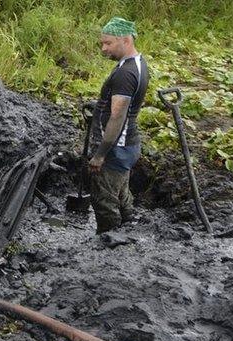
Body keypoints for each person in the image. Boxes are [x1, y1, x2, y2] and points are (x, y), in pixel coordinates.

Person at [88, 17, 150, 233]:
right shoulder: (138, 64)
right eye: (102, 43)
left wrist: (100, 155)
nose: (103, 49)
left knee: (104, 198)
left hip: (116, 147)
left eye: (108, 43)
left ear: (125, 40)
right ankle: (129, 230)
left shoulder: (125, 73)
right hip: (128, 144)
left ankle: (109, 241)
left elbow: (117, 117)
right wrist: (99, 105)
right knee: (121, 191)